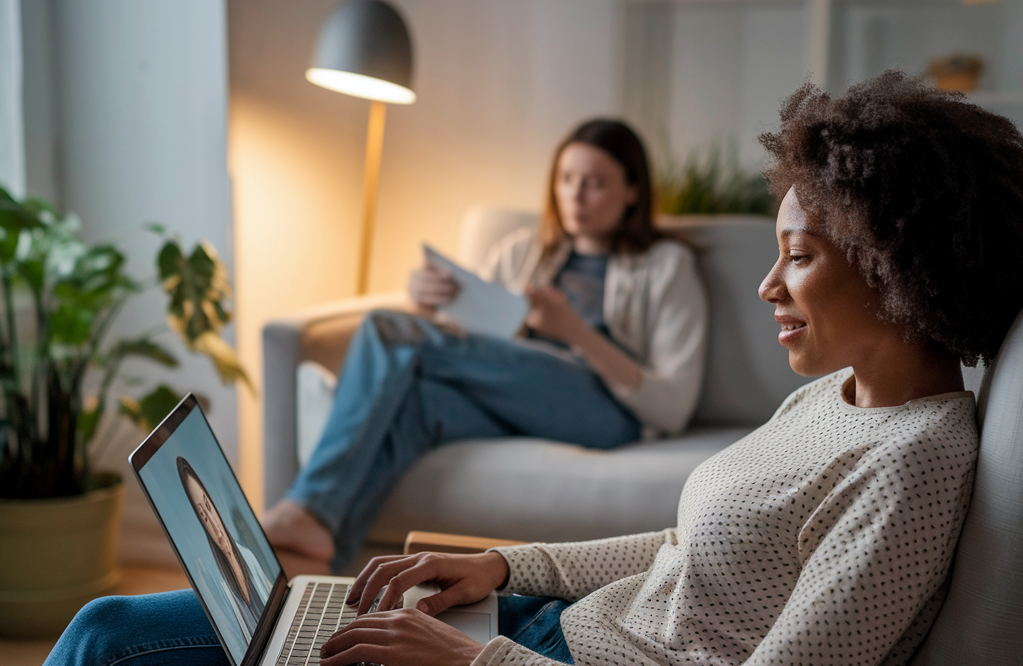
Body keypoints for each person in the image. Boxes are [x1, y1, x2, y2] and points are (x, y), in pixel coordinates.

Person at [0, 72, 1023, 666]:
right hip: (541, 641)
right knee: (108, 632)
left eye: (800, 255)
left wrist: (475, 663)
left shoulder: (914, 464)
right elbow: (684, 549)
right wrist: (505, 567)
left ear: (896, 262)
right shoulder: (833, 399)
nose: (769, 285)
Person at [262, 118, 708, 575]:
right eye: (567, 180)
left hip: (603, 411)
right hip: (512, 398)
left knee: (388, 329)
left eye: (594, 184)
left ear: (633, 191)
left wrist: (573, 330)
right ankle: (324, 564)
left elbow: (671, 406)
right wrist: (430, 306)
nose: (575, 196)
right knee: (418, 404)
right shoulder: (521, 251)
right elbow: (472, 349)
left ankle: (305, 506)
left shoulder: (667, 265)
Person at [178, 457, 271, 641]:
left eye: (208, 508)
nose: (214, 525)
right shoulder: (216, 584)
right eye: (204, 518)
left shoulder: (249, 557)